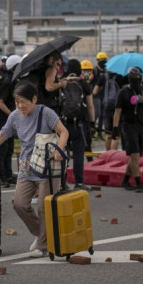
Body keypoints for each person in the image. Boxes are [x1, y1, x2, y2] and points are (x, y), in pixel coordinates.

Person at [0, 81, 69, 258]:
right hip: (26, 168)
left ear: (34, 99)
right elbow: (3, 133)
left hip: (47, 167)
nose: (20, 105)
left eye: (23, 102)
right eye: (17, 101)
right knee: (19, 204)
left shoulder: (46, 113)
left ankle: (43, 245)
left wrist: (59, 149)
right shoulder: (14, 116)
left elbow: (64, 132)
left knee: (45, 207)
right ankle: (41, 234)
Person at [112, 67, 143, 193]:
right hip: (128, 126)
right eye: (133, 79)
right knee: (134, 155)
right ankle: (138, 183)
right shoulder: (123, 92)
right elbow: (117, 113)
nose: (136, 81)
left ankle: (125, 180)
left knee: (136, 156)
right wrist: (115, 128)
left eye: (138, 79)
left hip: (142, 126)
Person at [60, 59, 96, 190]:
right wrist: (92, 123)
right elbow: (90, 106)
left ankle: (62, 183)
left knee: (63, 153)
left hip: (63, 124)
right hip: (80, 124)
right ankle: (79, 183)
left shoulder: (62, 83)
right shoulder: (84, 84)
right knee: (78, 154)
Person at [0, 55, 22, 186]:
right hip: (1, 120)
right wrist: (12, 115)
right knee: (1, 149)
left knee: (9, 148)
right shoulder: (7, 82)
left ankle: (8, 175)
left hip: (8, 120)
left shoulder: (14, 80)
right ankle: (1, 176)